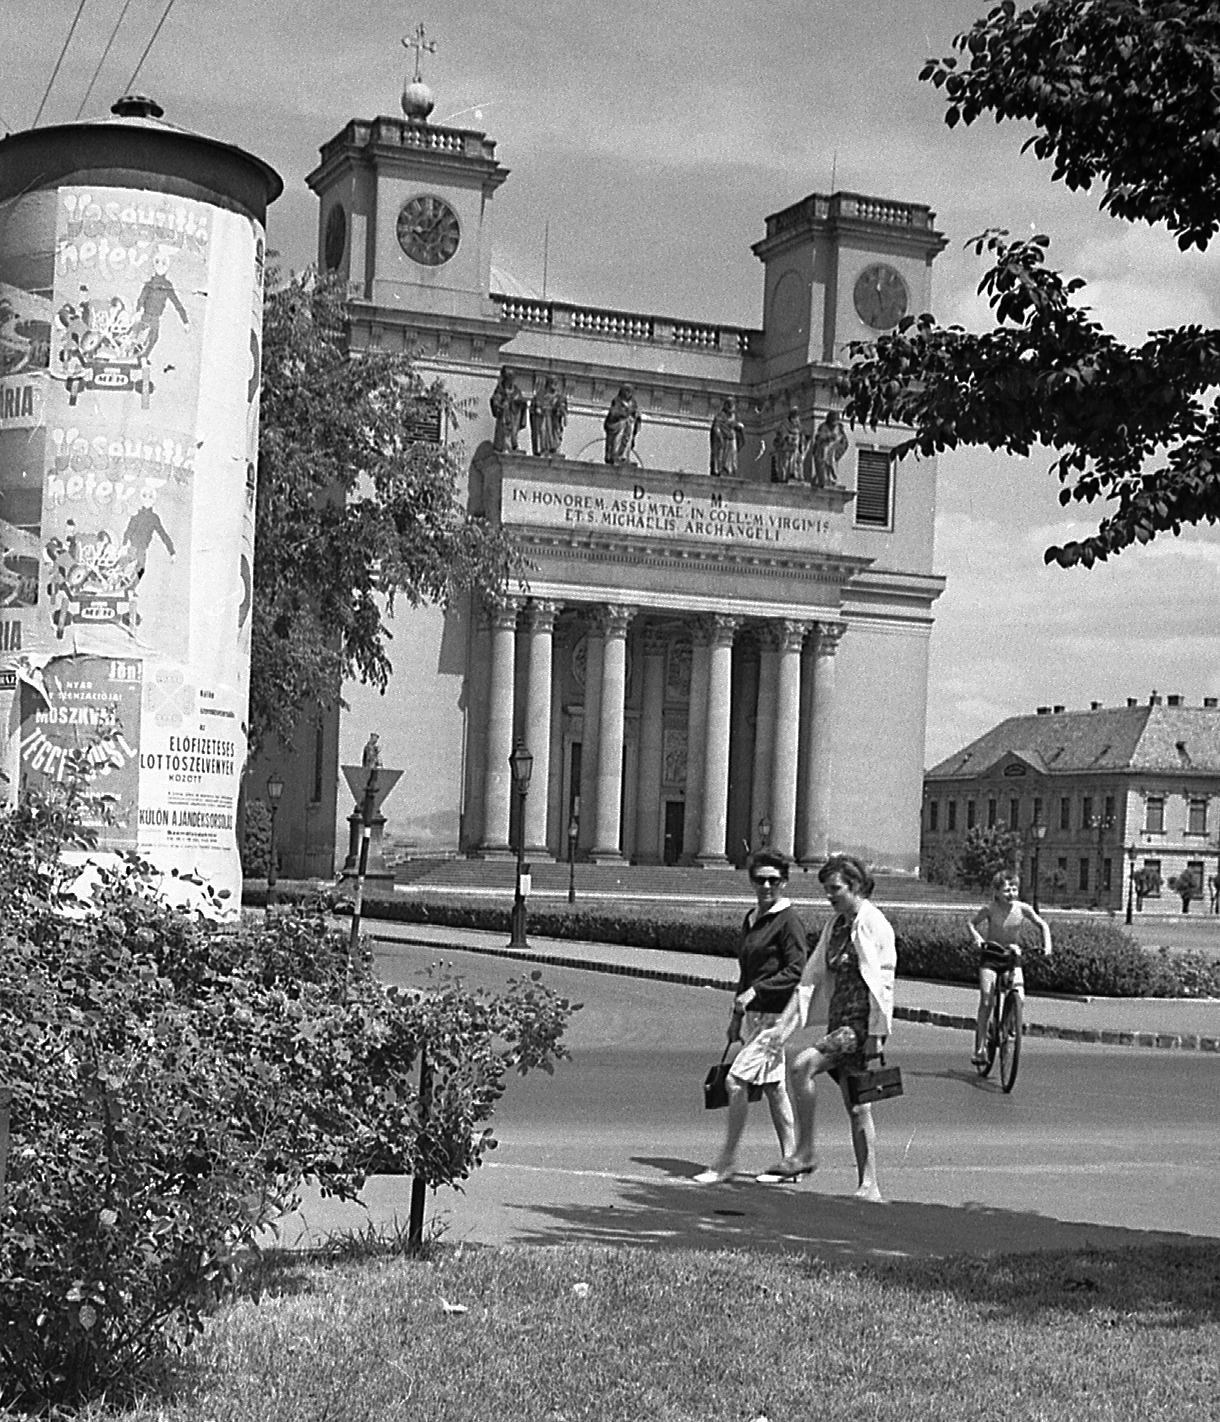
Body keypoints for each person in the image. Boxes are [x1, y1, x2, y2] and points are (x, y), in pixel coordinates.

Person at [758, 854, 896, 1202]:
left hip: (859, 1028)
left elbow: (885, 982)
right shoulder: (836, 926)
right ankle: (870, 1186)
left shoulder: (873, 923)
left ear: (856, 886)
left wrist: (877, 1035)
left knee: (802, 1064)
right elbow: (810, 979)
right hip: (840, 1022)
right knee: (857, 1105)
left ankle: (805, 1152)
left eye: (835, 889)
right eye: (826, 890)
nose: (829, 896)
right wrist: (782, 1030)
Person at [694, 851, 807, 1184]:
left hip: (778, 1016)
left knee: (735, 1081)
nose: (767, 885)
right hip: (755, 1015)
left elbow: (796, 969)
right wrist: (736, 1014)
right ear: (752, 881)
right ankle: (792, 1162)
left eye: (774, 879)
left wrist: (757, 990)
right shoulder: (752, 917)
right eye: (760, 879)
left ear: (784, 882)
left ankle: (726, 1161)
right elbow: (746, 972)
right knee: (774, 1088)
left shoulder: (789, 921)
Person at [968, 871, 1052, 1066]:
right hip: (991, 956)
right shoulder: (990, 909)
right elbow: (971, 924)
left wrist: (1047, 945)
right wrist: (977, 938)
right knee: (987, 1000)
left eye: (1014, 889)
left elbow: (1042, 925)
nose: (1011, 894)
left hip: (1011, 957)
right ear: (996, 892)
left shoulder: (1022, 909)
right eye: (1006, 890)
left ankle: (1008, 1024)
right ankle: (980, 1049)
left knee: (1019, 996)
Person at [490, 367, 528, 452]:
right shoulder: (500, 390)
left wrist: (521, 403)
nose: (511, 381)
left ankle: (513, 444)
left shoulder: (517, 391)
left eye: (512, 378)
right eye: (509, 378)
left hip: (514, 416)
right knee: (505, 429)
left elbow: (520, 401)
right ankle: (505, 445)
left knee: (513, 431)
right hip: (505, 415)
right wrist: (500, 404)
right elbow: (496, 400)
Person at [603, 385, 641, 466]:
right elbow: (613, 414)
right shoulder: (617, 401)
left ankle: (624, 457)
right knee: (618, 438)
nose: (629, 394)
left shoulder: (633, 403)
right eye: (627, 391)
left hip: (629, 426)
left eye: (630, 392)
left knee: (628, 440)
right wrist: (624, 414)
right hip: (619, 426)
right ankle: (615, 455)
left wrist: (636, 416)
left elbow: (636, 414)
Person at [811, 410, 849, 487]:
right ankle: (823, 479)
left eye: (835, 421)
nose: (833, 425)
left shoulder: (839, 428)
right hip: (823, 449)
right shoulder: (823, 426)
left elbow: (844, 441)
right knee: (823, 463)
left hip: (834, 450)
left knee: (832, 463)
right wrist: (827, 437)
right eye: (832, 420)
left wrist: (839, 448)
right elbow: (818, 438)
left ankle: (831, 479)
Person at [709, 396, 745, 477]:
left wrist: (738, 427)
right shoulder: (721, 415)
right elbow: (716, 427)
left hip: (732, 439)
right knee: (722, 456)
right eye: (729, 404)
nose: (731, 406)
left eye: (732, 404)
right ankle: (722, 469)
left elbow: (736, 426)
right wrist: (719, 436)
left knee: (732, 456)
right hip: (724, 440)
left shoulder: (735, 416)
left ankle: (731, 471)